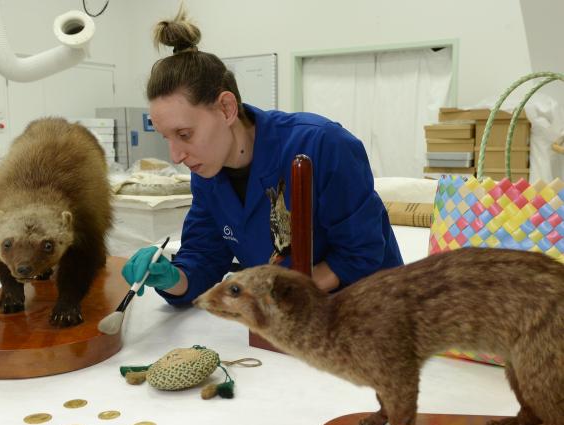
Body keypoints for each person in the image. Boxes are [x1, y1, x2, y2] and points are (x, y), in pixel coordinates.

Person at [122, 6, 403, 306]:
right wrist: (171, 277)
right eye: (166, 138)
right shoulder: (207, 173)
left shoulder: (322, 145)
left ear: (226, 109)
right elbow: (203, 258)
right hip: (286, 323)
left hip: (368, 309)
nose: (176, 156)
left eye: (185, 134)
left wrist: (280, 295)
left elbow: (361, 252)